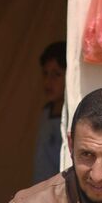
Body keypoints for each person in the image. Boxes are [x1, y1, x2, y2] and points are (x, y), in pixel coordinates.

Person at [32, 41, 67, 184]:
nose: (48, 81)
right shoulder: (46, 113)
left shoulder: (73, 118)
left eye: (56, 74)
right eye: (45, 74)